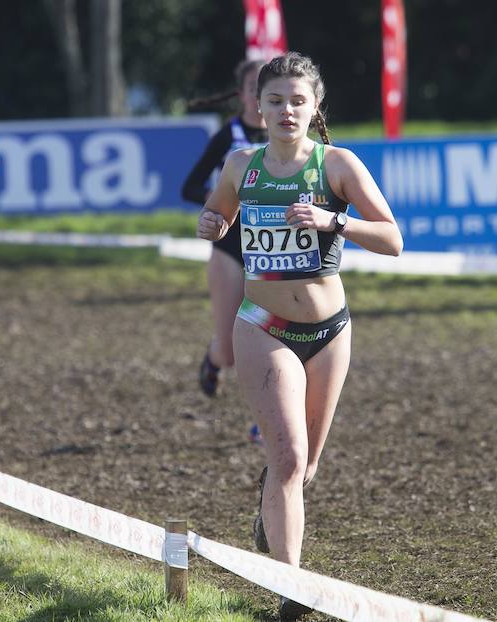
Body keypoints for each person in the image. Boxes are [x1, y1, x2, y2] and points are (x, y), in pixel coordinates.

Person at [196, 53, 403, 621]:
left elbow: (393, 238)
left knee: (306, 464)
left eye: (297, 101)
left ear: (315, 108)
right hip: (262, 327)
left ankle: (270, 511)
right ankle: (292, 589)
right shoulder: (241, 165)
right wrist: (212, 224)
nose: (286, 110)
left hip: (330, 331)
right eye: (274, 101)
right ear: (257, 107)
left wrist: (335, 221)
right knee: (287, 456)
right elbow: (215, 217)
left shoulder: (337, 164)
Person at [182, 60, 267, 398]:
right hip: (230, 246)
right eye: (254, 89)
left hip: (274, 249)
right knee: (231, 351)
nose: (261, 98)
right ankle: (214, 360)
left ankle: (269, 420)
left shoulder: (290, 140)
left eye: (269, 91)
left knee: (277, 338)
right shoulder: (227, 138)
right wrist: (222, 199)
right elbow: (188, 187)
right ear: (242, 95)